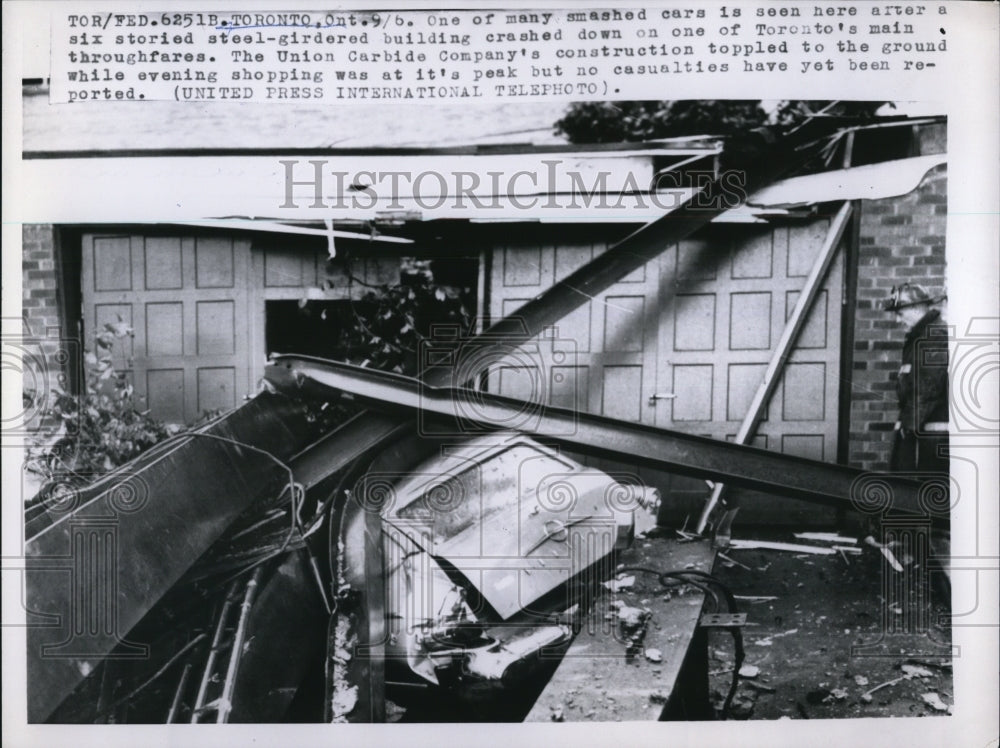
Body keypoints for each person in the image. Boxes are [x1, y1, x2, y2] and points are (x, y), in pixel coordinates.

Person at [883, 283, 950, 474]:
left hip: (929, 439)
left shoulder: (935, 336)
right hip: (922, 434)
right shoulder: (920, 337)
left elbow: (928, 386)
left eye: (900, 313)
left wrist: (910, 426)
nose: (898, 320)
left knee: (918, 495)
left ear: (914, 307)